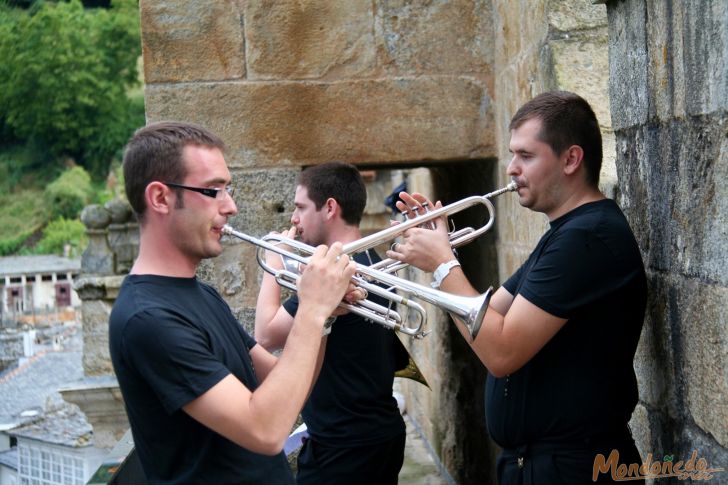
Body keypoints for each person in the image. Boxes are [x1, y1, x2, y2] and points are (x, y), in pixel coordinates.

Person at [387, 91, 647, 484]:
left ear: (571, 159)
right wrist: (436, 250)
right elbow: (489, 316)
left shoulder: (588, 237)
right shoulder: (564, 234)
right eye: (512, 155)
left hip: (576, 467)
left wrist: (443, 265)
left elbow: (500, 350)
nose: (511, 168)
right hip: (544, 465)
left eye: (526, 156)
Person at [108, 121, 358, 484]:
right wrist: (311, 309)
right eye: (213, 191)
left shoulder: (200, 293)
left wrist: (326, 318)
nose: (231, 207)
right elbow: (266, 430)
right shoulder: (147, 318)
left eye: (229, 189)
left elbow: (284, 385)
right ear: (160, 198)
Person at [255, 161, 408, 485]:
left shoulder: (335, 275)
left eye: (300, 207)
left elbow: (266, 334)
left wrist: (273, 262)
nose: (293, 219)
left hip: (343, 447)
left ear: (329, 208)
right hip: (375, 433)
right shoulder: (373, 262)